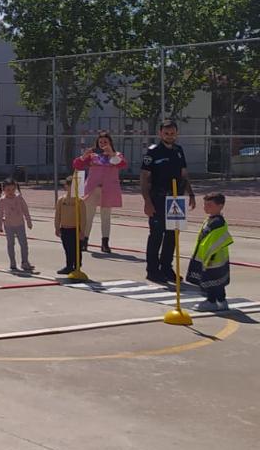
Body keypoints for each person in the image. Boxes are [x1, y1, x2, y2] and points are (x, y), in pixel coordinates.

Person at [141, 120, 195, 283]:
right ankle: (152, 270)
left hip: (176, 199)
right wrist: (147, 201)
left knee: (172, 235)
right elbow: (144, 178)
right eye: (166, 133)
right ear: (160, 134)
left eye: (172, 133)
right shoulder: (153, 152)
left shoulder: (178, 150)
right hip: (158, 198)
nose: (169, 136)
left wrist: (191, 193)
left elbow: (184, 174)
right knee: (157, 234)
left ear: (176, 133)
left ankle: (166, 268)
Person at [72, 130, 128, 254]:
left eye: (105, 142)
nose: (103, 144)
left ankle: (105, 243)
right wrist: (84, 156)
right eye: (101, 142)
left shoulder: (116, 155)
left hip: (108, 189)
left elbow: (122, 164)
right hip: (92, 189)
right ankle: (84, 241)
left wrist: (111, 153)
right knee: (88, 216)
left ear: (110, 143)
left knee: (106, 216)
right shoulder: (93, 155)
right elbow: (77, 165)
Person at [188, 193, 233, 312]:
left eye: (209, 205)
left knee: (211, 280)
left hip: (213, 258)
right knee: (216, 281)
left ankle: (212, 301)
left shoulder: (218, 223)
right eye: (205, 204)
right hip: (211, 257)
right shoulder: (210, 220)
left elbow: (212, 242)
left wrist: (205, 257)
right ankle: (221, 301)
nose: (206, 207)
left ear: (220, 206)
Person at [0, 179, 35, 273]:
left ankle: (25, 262)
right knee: (11, 244)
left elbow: (25, 210)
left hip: (20, 224)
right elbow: (0, 214)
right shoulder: (2, 201)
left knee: (24, 244)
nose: (11, 192)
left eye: (13, 189)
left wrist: (29, 221)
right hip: (8, 226)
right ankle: (12, 263)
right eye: (8, 190)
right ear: (4, 190)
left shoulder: (19, 198)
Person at [53, 176, 84, 275]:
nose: (71, 188)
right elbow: (57, 215)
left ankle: (77, 266)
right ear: (66, 186)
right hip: (65, 229)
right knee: (67, 249)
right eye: (69, 185)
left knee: (77, 249)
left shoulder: (80, 201)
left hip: (75, 229)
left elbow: (83, 217)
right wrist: (57, 228)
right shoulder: (61, 200)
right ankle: (69, 266)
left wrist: (82, 231)